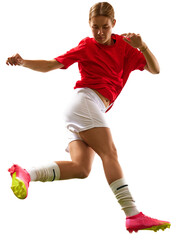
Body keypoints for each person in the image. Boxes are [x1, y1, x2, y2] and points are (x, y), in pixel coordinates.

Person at [6, 2, 170, 233]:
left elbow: (155, 69)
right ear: (89, 26)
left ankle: (26, 174)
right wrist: (23, 62)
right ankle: (132, 214)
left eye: (105, 27)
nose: (100, 33)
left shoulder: (125, 46)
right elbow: (53, 64)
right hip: (86, 102)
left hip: (86, 108)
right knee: (109, 153)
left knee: (81, 168)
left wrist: (143, 46)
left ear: (114, 24)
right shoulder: (86, 46)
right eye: (95, 27)